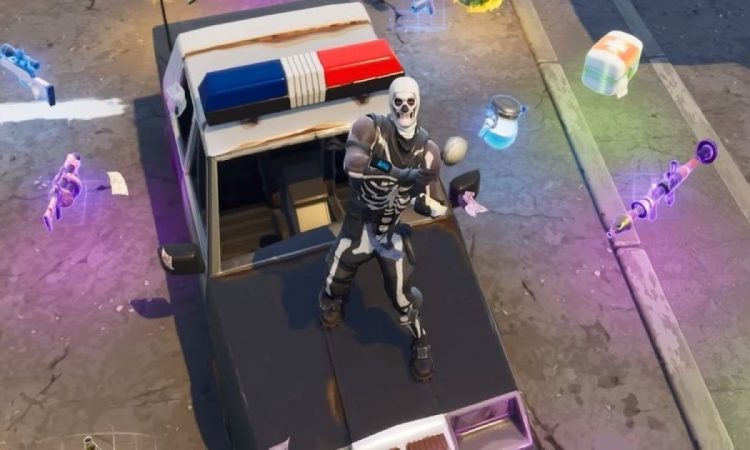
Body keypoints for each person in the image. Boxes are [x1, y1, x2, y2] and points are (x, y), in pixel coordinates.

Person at [319, 76, 446, 382]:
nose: (404, 108)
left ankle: (420, 341)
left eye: (410, 102)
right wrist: (397, 172)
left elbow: (428, 196)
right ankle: (332, 299)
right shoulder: (370, 128)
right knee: (335, 275)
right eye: (399, 102)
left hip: (389, 232)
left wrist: (428, 204)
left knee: (403, 297)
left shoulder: (427, 152)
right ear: (391, 103)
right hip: (359, 223)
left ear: (418, 103)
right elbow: (353, 162)